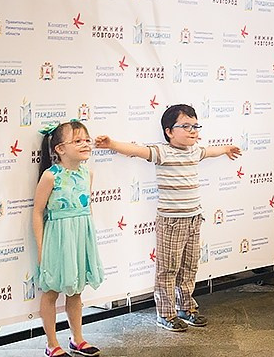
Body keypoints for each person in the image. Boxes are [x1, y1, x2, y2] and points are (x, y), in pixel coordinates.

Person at [95, 104, 242, 332]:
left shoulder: (195, 151)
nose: (192, 130)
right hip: (171, 221)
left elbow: (211, 151)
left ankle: (187, 307)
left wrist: (226, 149)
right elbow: (137, 150)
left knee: (189, 266)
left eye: (195, 126)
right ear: (169, 131)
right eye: (185, 126)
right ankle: (165, 314)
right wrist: (111, 144)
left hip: (195, 218)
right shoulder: (162, 152)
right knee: (168, 269)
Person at [32, 120, 105, 357]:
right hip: (57, 238)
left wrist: (89, 240)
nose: (85, 144)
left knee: (76, 290)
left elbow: (88, 207)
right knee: (51, 290)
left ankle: (78, 338)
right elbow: (37, 212)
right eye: (78, 140)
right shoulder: (50, 176)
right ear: (60, 149)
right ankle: (52, 343)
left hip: (80, 236)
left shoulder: (88, 173)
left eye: (87, 139)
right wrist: (42, 249)